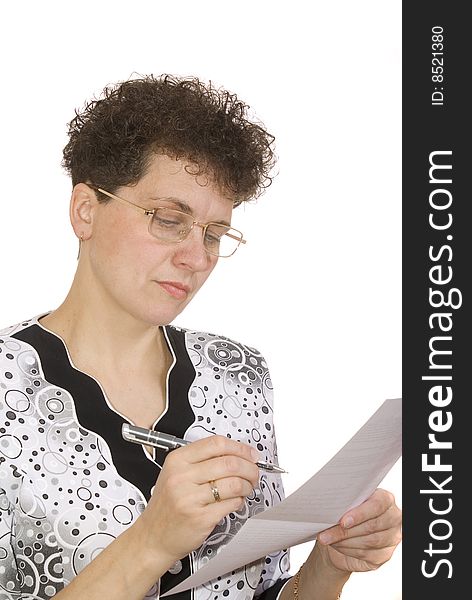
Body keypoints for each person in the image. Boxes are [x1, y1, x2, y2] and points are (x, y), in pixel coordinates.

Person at [0, 74, 401, 600]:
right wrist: (152, 540)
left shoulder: (238, 373)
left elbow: (267, 587)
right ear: (85, 210)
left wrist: (329, 563)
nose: (197, 258)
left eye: (214, 234)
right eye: (169, 219)